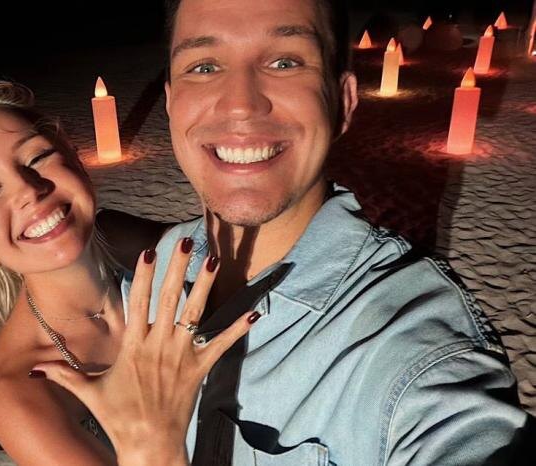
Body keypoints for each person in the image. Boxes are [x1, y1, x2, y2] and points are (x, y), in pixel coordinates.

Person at [37, 0, 532, 464]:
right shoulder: (162, 264)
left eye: (285, 62)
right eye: (204, 66)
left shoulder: (407, 345)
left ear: (343, 102)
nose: (240, 105)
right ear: (170, 105)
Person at [0, 82, 257, 465]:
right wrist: (156, 440)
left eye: (37, 157)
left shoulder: (123, 239)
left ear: (74, 158)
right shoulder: (22, 390)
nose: (28, 190)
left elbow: (235, 246)